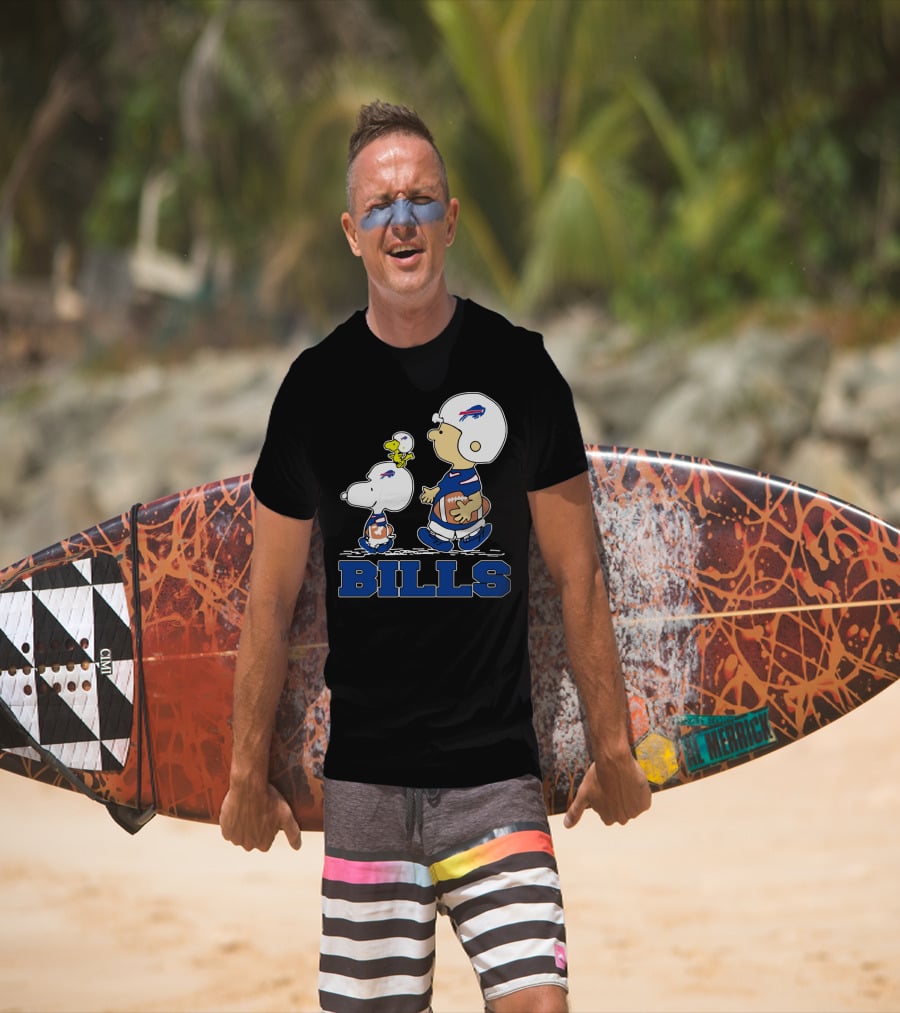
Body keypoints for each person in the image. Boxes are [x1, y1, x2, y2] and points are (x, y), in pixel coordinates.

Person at [220, 100, 652, 1013]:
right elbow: (269, 602)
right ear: (351, 233)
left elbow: (579, 575)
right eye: (380, 206)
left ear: (451, 219)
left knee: (540, 1003)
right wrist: (242, 772)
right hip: (367, 788)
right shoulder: (313, 390)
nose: (402, 220)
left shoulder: (523, 370)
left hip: (496, 781)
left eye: (421, 200)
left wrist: (612, 746)